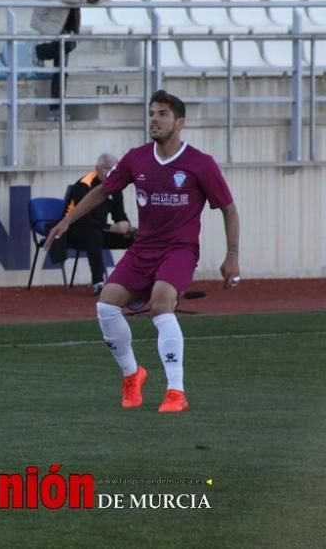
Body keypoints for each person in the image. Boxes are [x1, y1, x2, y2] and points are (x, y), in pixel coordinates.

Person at [44, 90, 240, 413]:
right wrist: (66, 221)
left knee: (162, 303)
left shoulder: (200, 163)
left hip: (179, 250)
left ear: (179, 122)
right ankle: (133, 375)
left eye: (162, 114)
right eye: (151, 113)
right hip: (143, 249)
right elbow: (102, 192)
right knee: (106, 306)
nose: (154, 119)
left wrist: (232, 254)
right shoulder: (136, 158)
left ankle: (176, 391)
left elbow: (229, 209)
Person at [31, 0, 104, 114]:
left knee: (64, 56)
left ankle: (38, 53)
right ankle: (56, 107)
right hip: (52, 19)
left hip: (71, 22)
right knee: (62, 59)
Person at [64, 153, 135, 296]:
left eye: (115, 170)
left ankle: (137, 280)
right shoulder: (83, 185)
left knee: (137, 237)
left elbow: (119, 213)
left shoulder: (116, 185)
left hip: (100, 230)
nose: (111, 173)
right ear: (97, 168)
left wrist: (126, 226)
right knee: (93, 235)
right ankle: (99, 283)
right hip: (75, 230)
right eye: (108, 169)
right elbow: (82, 219)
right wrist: (111, 228)